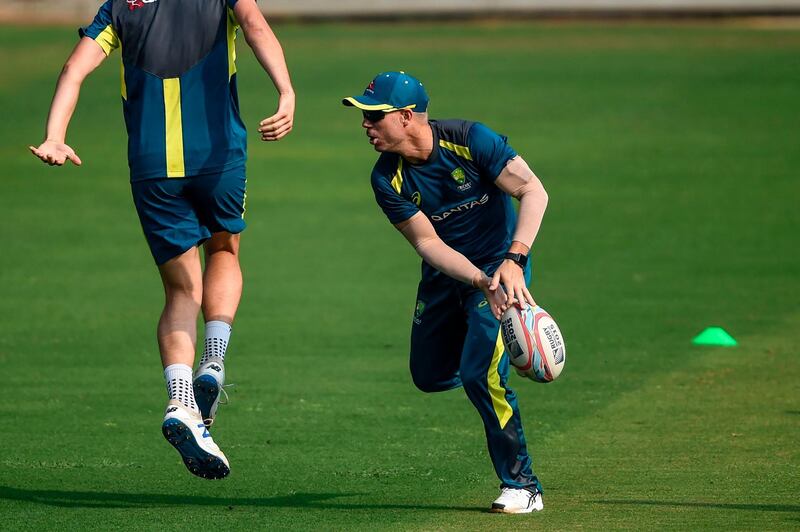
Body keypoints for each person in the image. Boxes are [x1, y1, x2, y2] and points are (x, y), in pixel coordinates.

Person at [29, 0, 294, 480]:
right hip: (217, 156)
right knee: (225, 249)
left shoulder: (119, 6)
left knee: (179, 291)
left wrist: (55, 135)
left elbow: (74, 67)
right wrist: (286, 93)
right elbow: (255, 25)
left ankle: (180, 400)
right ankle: (213, 362)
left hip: (151, 167)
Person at [342, 71, 550, 513]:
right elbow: (427, 243)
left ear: (405, 116)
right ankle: (499, 344)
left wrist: (514, 261)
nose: (366, 125)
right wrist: (475, 278)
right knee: (429, 375)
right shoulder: (387, 180)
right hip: (449, 277)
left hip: (502, 273)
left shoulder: (470, 139)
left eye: (374, 117)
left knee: (481, 375)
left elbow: (533, 190)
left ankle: (523, 486)